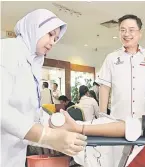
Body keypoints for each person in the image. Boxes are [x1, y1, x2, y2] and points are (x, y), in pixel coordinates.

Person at [1, 9, 86, 167]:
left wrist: (54, 125)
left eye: (56, 38)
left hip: (14, 153)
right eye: (50, 34)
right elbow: (2, 110)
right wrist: (46, 136)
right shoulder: (7, 50)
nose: (53, 42)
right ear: (35, 28)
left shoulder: (33, 64)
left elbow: (31, 111)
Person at [96, 14, 145, 166]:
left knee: (142, 160)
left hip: (144, 121)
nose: (126, 34)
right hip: (118, 120)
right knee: (117, 161)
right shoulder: (112, 58)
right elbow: (104, 86)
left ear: (140, 33)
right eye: (122, 30)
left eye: (131, 30)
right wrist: (102, 115)